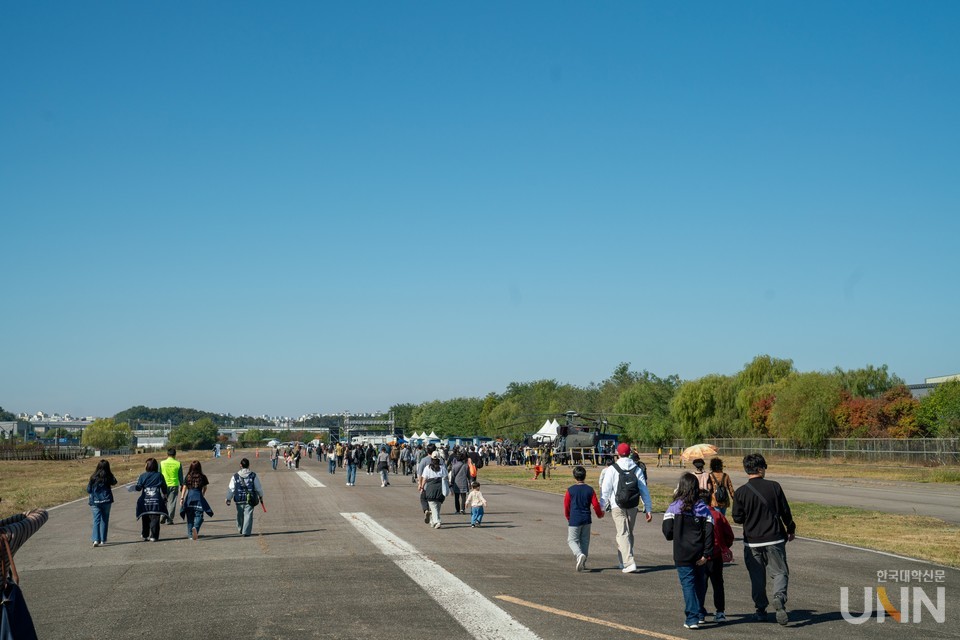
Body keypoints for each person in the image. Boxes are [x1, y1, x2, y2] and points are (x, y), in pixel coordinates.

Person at [732, 453, 796, 625]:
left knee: (757, 576)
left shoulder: (740, 492)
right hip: (774, 538)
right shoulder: (774, 487)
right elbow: (785, 511)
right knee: (780, 572)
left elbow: (737, 518)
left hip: (752, 541)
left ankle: (760, 609)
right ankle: (779, 597)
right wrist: (791, 528)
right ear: (760, 469)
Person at [663, 473, 714, 630]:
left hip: (682, 553)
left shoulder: (673, 508)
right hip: (700, 553)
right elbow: (709, 534)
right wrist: (706, 553)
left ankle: (692, 618)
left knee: (688, 584)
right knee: (699, 584)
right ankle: (699, 613)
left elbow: (667, 533)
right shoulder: (704, 509)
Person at [599, 443, 653, 573]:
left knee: (622, 533)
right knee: (628, 533)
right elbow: (643, 490)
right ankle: (623, 561)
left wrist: (601, 506)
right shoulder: (637, 469)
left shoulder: (612, 469)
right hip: (633, 505)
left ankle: (629, 562)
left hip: (617, 505)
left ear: (617, 453)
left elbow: (605, 490)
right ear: (629, 453)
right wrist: (648, 507)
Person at [564, 465, 604, 572]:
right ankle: (583, 562)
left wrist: (568, 517)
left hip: (575, 518)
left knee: (571, 540)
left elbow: (566, 506)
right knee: (585, 541)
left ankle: (579, 555)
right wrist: (599, 514)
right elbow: (595, 504)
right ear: (585, 476)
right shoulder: (590, 490)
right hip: (586, 518)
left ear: (574, 476)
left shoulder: (570, 490)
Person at [703, 489, 735, 623]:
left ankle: (699, 611)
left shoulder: (694, 514)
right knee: (718, 584)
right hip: (716, 554)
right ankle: (720, 611)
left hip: (699, 556)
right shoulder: (717, 515)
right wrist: (724, 545)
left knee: (700, 584)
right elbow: (729, 535)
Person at [225, 458, 265, 537]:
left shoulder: (235, 476)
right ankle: (246, 531)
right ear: (249, 465)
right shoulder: (253, 475)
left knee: (240, 515)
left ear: (240, 465)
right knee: (248, 515)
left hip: (239, 499)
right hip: (250, 499)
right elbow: (258, 488)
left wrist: (228, 498)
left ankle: (240, 528)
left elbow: (231, 488)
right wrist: (261, 496)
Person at [134, 457, 168, 542]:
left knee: (145, 517)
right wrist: (165, 495)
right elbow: (164, 487)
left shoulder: (143, 476)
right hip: (156, 500)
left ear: (148, 466)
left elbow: (138, 488)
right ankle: (154, 536)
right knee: (155, 518)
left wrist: (133, 487)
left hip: (145, 500)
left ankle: (145, 535)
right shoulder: (159, 475)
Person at [179, 461, 212, 541]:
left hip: (189, 498)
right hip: (198, 497)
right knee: (199, 515)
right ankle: (196, 527)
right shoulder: (203, 477)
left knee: (190, 517)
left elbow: (184, 488)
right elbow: (205, 488)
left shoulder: (188, 476)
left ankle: (190, 535)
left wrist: (182, 498)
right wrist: (202, 494)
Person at [86, 459, 117, 547]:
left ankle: (96, 539)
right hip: (106, 500)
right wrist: (110, 474)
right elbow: (115, 482)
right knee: (105, 519)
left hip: (95, 501)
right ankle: (103, 539)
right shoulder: (109, 476)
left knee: (96, 520)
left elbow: (88, 490)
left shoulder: (93, 477)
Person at [418, 451, 449, 528]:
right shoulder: (442, 468)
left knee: (433, 506)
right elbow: (446, 478)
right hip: (440, 489)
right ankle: (433, 521)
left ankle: (437, 521)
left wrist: (422, 487)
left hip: (431, 488)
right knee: (437, 506)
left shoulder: (427, 468)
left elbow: (424, 479)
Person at [159, 448, 183, 526]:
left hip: (163, 485)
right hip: (174, 484)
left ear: (167, 454)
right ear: (175, 455)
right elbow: (180, 476)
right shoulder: (178, 463)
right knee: (172, 502)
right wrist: (182, 485)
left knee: (163, 501)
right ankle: (169, 519)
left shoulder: (162, 463)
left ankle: (162, 515)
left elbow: (159, 474)